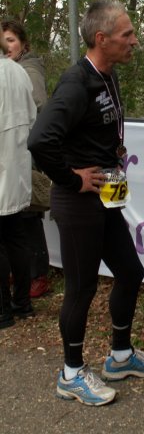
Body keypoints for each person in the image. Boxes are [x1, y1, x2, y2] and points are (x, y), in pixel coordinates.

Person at [28, 0, 144, 407]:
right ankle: (71, 373)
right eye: (127, 35)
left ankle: (120, 355)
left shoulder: (108, 75)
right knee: (82, 288)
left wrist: (113, 152)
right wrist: (72, 177)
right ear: (101, 39)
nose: (134, 41)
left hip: (107, 195)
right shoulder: (75, 83)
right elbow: (39, 141)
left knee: (131, 270)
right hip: (78, 201)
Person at [2, 19, 50, 299]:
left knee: (29, 215)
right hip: (11, 151)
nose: (7, 46)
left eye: (11, 40)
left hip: (26, 149)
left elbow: (39, 107)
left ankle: (38, 274)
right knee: (13, 217)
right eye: (3, 40)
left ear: (22, 43)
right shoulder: (10, 70)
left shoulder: (28, 70)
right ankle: (19, 274)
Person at [0, 24, 37, 329]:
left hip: (5, 165)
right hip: (17, 167)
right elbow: (32, 116)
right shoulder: (18, 72)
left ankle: (3, 311)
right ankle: (22, 303)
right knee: (16, 236)